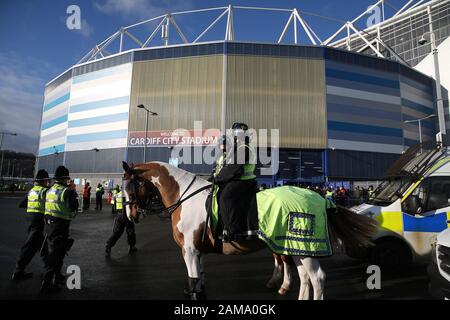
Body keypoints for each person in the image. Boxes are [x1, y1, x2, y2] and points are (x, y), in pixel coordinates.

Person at [212, 122, 257, 242]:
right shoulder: (239, 148)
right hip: (240, 180)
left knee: (225, 198)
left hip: (244, 182)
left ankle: (234, 232)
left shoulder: (244, 148)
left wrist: (217, 179)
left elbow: (233, 168)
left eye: (234, 136)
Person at [41, 166, 78, 293]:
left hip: (49, 225)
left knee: (56, 251)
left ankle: (58, 276)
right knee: (56, 254)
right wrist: (73, 192)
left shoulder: (49, 190)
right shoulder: (67, 191)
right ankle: (47, 283)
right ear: (65, 178)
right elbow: (74, 209)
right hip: (61, 225)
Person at [11, 169, 50, 281]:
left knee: (41, 246)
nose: (48, 182)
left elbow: (21, 204)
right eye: (47, 180)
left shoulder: (32, 191)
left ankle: (48, 270)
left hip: (30, 219)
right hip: (39, 221)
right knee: (30, 247)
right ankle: (18, 272)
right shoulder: (45, 191)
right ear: (44, 181)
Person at [105, 186, 136, 257]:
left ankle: (108, 246)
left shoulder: (118, 194)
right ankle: (131, 247)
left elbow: (114, 204)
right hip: (127, 216)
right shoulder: (129, 195)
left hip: (119, 215)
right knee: (130, 232)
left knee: (117, 233)